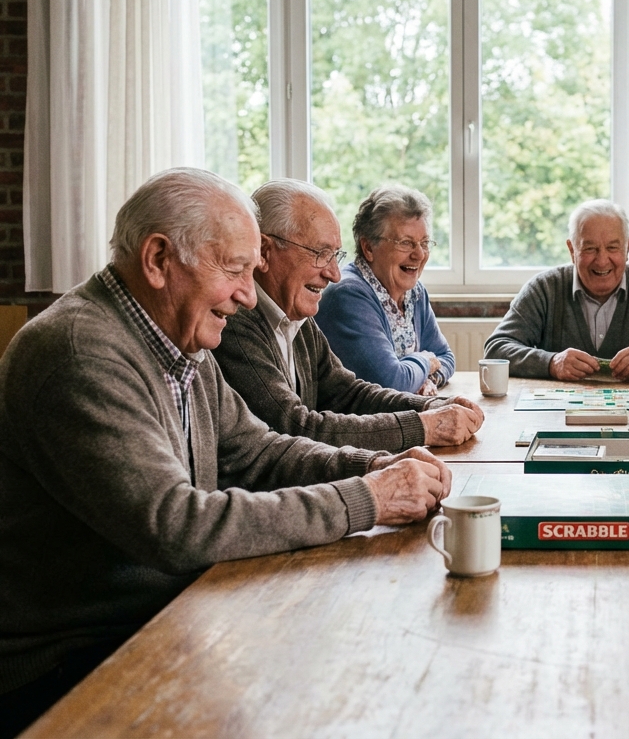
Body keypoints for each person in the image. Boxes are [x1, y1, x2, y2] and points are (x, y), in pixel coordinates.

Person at [0, 169, 454, 737]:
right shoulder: (78, 351)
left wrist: (370, 466)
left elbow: (257, 451)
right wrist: (365, 499)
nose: (246, 294)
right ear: (159, 259)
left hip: (163, 618)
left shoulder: (179, 340)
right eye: (235, 269)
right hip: (70, 669)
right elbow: (177, 525)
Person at [213, 179, 483, 450]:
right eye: (320, 253)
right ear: (264, 251)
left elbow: (348, 394)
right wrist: (424, 426)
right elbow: (294, 426)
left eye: (335, 255)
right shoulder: (236, 323)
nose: (334, 274)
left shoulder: (297, 319)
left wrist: (433, 406)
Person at [484, 199, 629, 379]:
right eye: (590, 248)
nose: (602, 261)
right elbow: (496, 349)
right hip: (558, 416)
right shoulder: (544, 289)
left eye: (613, 248)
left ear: (628, 247)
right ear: (571, 249)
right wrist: (551, 363)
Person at [315, 185, 454, 396]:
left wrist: (423, 379)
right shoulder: (348, 295)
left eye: (424, 243)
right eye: (406, 243)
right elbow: (392, 382)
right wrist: (425, 360)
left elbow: (446, 357)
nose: (419, 254)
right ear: (368, 248)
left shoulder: (414, 292)